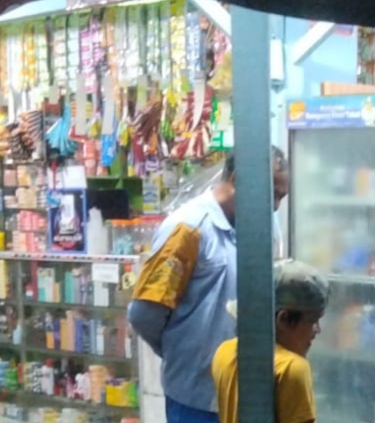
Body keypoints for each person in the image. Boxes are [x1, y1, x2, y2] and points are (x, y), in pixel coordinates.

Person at [128, 148, 290, 423]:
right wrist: (183, 352)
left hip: (248, 393)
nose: (275, 206)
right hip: (198, 399)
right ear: (238, 180)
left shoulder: (262, 227)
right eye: (271, 194)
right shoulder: (188, 228)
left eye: (281, 197)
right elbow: (145, 314)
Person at [212, 259, 329, 423]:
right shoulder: (291, 368)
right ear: (283, 319)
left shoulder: (224, 351)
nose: (317, 330)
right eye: (313, 321)